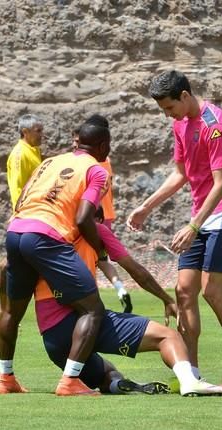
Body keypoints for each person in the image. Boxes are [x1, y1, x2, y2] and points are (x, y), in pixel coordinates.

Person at [127, 70, 222, 392]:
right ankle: (191, 373)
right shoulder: (180, 124)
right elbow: (180, 174)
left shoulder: (215, 125)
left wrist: (193, 225)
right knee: (184, 292)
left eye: (169, 108)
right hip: (201, 217)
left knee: (213, 292)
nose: (167, 115)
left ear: (185, 96)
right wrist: (147, 206)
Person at [34, 221, 222, 397]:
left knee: (107, 373)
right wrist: (167, 299)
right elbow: (135, 270)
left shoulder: (42, 236)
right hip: (84, 322)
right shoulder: (96, 229)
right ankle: (190, 382)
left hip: (53, 338)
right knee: (168, 336)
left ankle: (114, 384)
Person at [0, 123, 111, 396]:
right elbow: (84, 218)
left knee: (12, 311)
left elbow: (22, 198)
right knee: (93, 309)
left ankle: (5, 378)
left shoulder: (49, 162)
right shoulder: (97, 170)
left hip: (16, 230)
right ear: (103, 146)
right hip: (46, 237)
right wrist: (101, 251)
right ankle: (70, 381)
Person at [73, 115, 132, 312]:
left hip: (92, 214)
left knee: (87, 258)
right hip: (104, 214)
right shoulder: (105, 160)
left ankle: (89, 301)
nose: (75, 144)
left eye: (78, 140)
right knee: (100, 259)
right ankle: (120, 288)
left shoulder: (92, 163)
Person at [0, 114, 44, 336]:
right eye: (37, 130)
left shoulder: (34, 152)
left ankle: (6, 310)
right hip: (27, 220)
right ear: (25, 132)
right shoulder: (19, 154)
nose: (41, 134)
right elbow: (17, 189)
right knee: (10, 266)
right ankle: (4, 309)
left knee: (13, 266)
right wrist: (21, 216)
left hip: (37, 217)